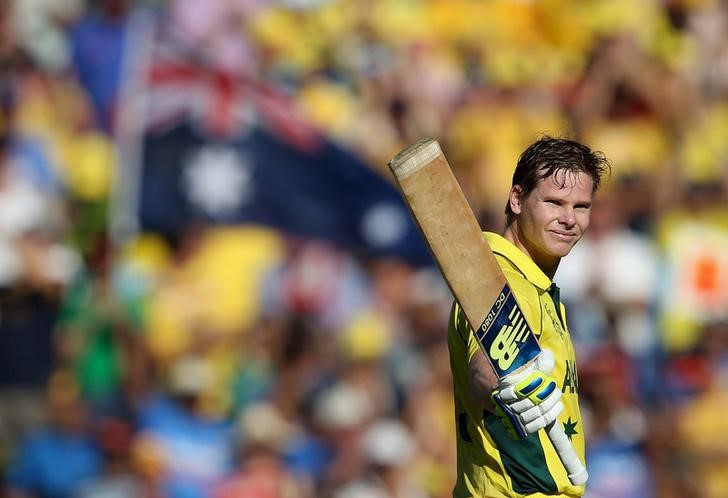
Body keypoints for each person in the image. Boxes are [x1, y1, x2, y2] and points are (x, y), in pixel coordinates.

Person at [447, 136, 610, 498]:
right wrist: (508, 387)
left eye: (580, 206)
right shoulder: (501, 283)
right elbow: (484, 369)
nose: (569, 219)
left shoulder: (534, 285)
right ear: (517, 198)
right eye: (554, 203)